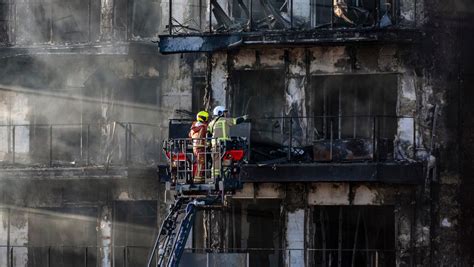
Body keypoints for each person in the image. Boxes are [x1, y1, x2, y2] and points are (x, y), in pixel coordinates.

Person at [208, 106, 248, 178]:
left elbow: (208, 134)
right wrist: (244, 117)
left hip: (215, 146)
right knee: (227, 160)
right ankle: (224, 177)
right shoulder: (225, 120)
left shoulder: (211, 123)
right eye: (224, 112)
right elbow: (236, 121)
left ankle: (214, 178)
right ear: (220, 113)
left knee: (216, 162)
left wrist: (208, 143)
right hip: (225, 145)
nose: (226, 114)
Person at [188, 111, 209, 183]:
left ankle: (202, 178)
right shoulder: (203, 126)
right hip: (200, 147)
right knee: (201, 163)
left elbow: (190, 136)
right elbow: (208, 133)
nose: (207, 120)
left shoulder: (194, 126)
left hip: (195, 147)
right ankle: (197, 179)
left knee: (201, 162)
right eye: (206, 118)